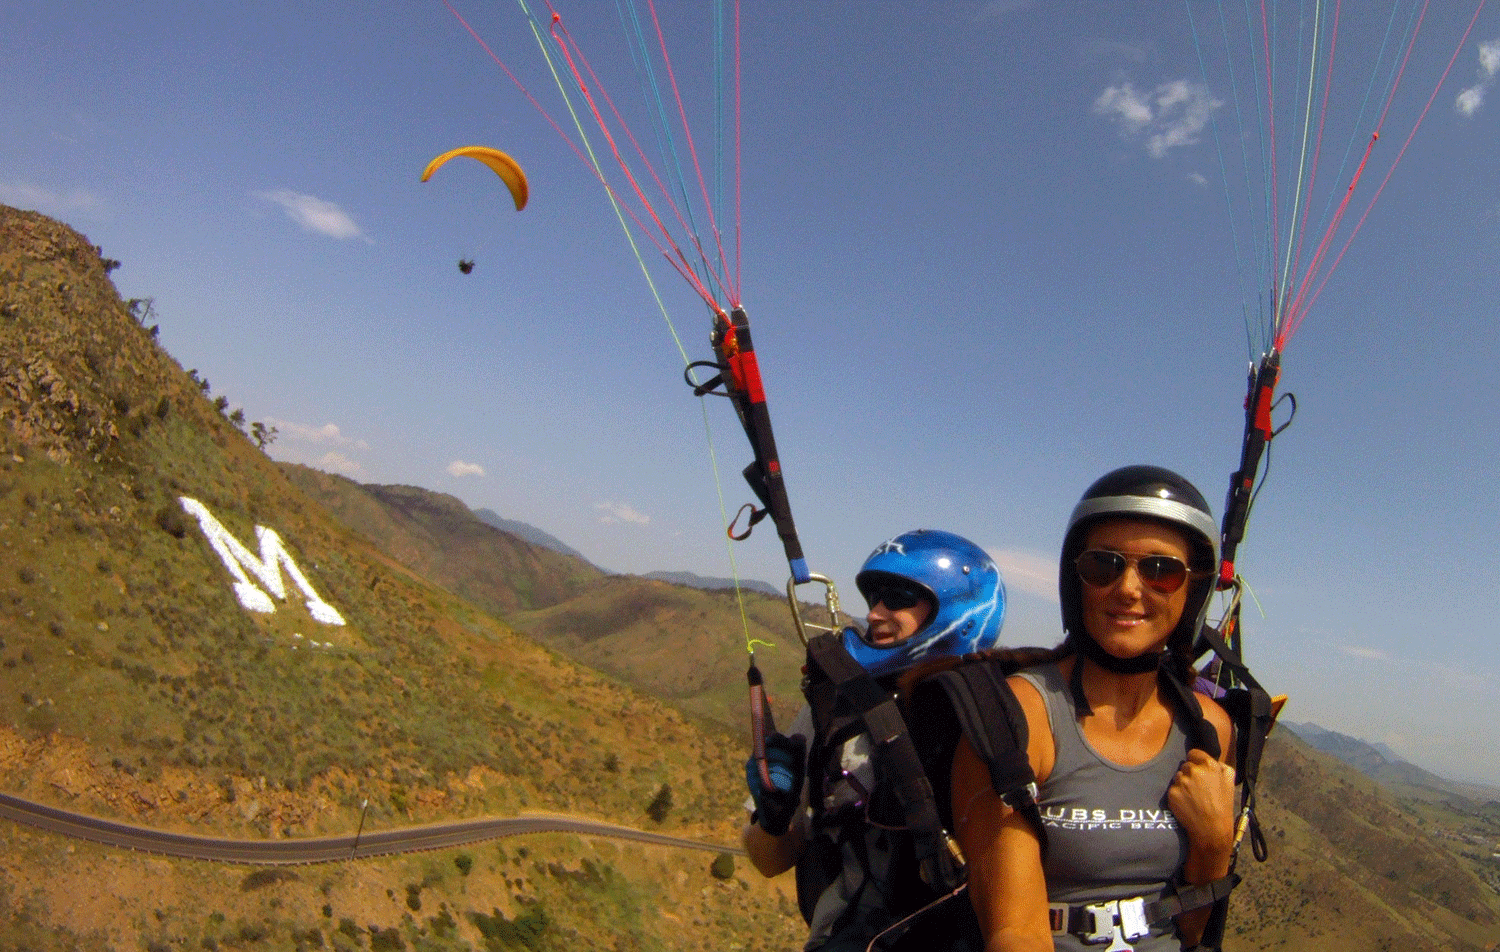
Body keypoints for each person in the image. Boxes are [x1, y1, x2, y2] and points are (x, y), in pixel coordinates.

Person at [950, 465, 1238, 952]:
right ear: (1075, 580)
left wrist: (1214, 842)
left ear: (1193, 592)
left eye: (1161, 571)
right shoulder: (1020, 716)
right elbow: (1014, 932)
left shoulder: (1209, 728)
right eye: (1104, 566)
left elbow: (1192, 930)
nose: (1128, 588)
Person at [743, 529, 1008, 952]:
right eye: (874, 598)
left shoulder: (1000, 715)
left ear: (959, 608)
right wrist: (773, 820)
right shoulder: (834, 709)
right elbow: (769, 861)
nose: (874, 614)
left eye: (898, 598)